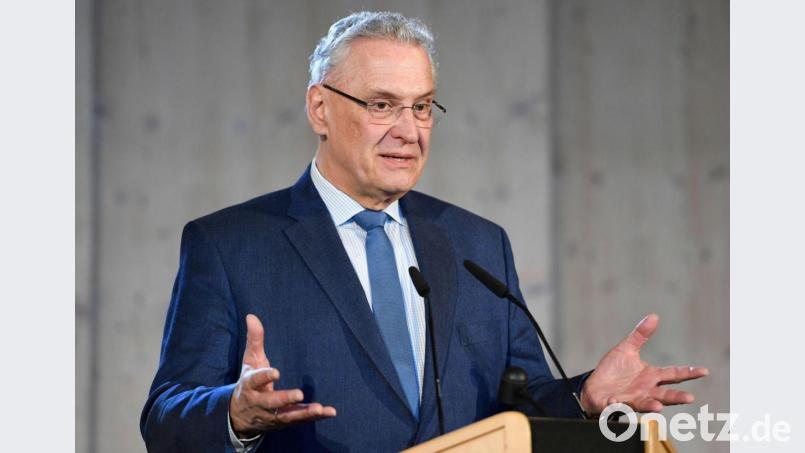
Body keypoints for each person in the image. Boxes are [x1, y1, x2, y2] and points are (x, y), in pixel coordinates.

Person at [140, 11, 709, 452]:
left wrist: (583, 397)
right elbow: (165, 416)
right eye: (382, 104)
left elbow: (520, 406)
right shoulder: (231, 245)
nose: (408, 131)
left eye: (422, 107)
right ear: (320, 108)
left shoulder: (477, 244)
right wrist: (235, 414)